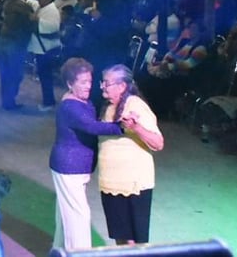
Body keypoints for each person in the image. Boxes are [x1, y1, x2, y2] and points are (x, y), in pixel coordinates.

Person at [49, 58, 129, 251]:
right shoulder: (71, 106)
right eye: (83, 82)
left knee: (66, 215)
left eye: (90, 81)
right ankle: (79, 253)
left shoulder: (80, 100)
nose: (88, 86)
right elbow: (92, 126)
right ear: (70, 83)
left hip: (75, 167)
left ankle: (59, 251)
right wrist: (122, 127)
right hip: (69, 167)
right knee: (79, 217)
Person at [98, 64, 164, 245]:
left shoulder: (136, 105)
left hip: (133, 185)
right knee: (121, 238)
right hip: (111, 183)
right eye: (102, 82)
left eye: (107, 83)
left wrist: (136, 127)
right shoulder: (108, 106)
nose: (103, 86)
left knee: (133, 243)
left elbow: (158, 143)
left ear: (122, 86)